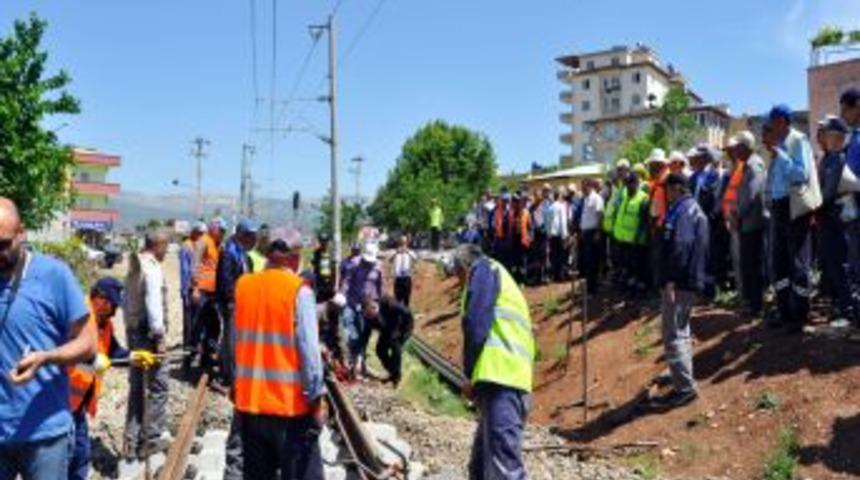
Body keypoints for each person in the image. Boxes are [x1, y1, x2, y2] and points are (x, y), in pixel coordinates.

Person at [0, 198, 97, 479]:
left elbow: (88, 342)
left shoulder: (54, 275)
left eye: (4, 244)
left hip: (45, 433)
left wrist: (46, 358)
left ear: (22, 233)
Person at [232, 226, 326, 479]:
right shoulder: (299, 290)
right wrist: (316, 401)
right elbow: (310, 357)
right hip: (290, 408)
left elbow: (232, 346)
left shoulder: (243, 286)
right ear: (294, 257)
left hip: (251, 407)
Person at [448, 244, 534, 480]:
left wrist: (468, 377)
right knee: (480, 467)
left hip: (502, 379)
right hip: (506, 379)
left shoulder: (484, 270)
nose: (459, 282)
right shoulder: (499, 277)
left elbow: (476, 326)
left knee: (504, 468)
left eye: (457, 275)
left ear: (465, 266)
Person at [654, 173, 708, 408]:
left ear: (677, 188)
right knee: (681, 331)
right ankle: (681, 378)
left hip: (680, 281)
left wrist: (671, 280)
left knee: (673, 333)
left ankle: (684, 388)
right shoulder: (689, 208)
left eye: (667, 188)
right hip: (687, 280)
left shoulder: (684, 211)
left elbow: (681, 246)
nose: (665, 193)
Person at [68, 277, 129, 480]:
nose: (114, 312)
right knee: (69, 454)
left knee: (80, 453)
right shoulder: (79, 317)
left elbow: (113, 351)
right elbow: (64, 357)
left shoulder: (105, 324)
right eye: (113, 305)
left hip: (79, 403)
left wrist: (133, 357)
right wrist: (91, 363)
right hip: (62, 402)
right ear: (100, 299)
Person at [764, 104, 814, 333]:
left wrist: (782, 156)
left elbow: (801, 174)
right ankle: (784, 311)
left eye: (772, 122)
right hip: (778, 208)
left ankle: (800, 314)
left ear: (782, 121)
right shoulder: (778, 146)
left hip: (794, 208)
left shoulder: (796, 141)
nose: (769, 127)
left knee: (797, 263)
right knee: (779, 261)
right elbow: (773, 182)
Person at [123, 230, 171, 461]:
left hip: (134, 334)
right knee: (159, 385)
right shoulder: (151, 268)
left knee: (136, 388)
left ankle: (131, 443)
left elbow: (127, 303)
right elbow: (154, 304)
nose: (167, 250)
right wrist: (160, 337)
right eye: (166, 245)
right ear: (158, 244)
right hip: (149, 335)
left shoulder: (134, 266)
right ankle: (151, 438)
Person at [817, 116, 860, 328]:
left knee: (841, 265)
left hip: (836, 220)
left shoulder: (836, 159)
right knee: (834, 266)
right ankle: (843, 308)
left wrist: (812, 205)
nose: (831, 139)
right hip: (828, 219)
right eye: (829, 135)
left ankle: (849, 311)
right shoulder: (828, 158)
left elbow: (828, 191)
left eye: (837, 136)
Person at [723, 132, 767, 316]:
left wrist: (736, 214)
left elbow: (751, 195)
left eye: (738, 147)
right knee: (748, 265)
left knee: (753, 265)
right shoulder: (747, 165)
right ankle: (751, 303)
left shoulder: (754, 165)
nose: (735, 151)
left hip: (752, 223)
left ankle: (755, 306)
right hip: (746, 222)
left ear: (746, 147)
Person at [216, 219, 257, 387]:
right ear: (241, 235)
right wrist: (232, 301)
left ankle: (231, 372)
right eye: (250, 235)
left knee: (233, 338)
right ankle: (232, 376)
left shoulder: (242, 253)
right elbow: (227, 280)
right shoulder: (229, 252)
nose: (253, 239)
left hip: (240, 302)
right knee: (231, 339)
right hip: (232, 303)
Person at [340, 241, 383, 375]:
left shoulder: (378, 267)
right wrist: (341, 295)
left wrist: (379, 303)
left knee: (364, 333)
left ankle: (361, 362)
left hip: (368, 307)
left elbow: (380, 285)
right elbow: (347, 281)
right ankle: (354, 356)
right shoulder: (354, 263)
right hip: (352, 301)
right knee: (349, 326)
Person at [191, 218, 226, 371]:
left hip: (212, 292)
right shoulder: (203, 241)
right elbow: (195, 263)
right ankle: (194, 356)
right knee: (200, 325)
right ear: (213, 229)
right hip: (202, 290)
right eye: (222, 231)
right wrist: (195, 288)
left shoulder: (216, 244)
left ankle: (207, 355)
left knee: (213, 325)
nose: (223, 234)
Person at [358, 295, 414, 386]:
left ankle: (397, 378)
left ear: (373, 307)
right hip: (386, 331)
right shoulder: (368, 317)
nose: (368, 317)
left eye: (369, 314)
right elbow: (365, 336)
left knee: (396, 349)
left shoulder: (389, 304)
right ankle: (393, 373)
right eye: (366, 316)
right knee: (380, 350)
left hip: (400, 328)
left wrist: (405, 332)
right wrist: (361, 354)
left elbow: (407, 313)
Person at [612, 173, 651, 293]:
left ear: (636, 184)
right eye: (625, 184)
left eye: (629, 184)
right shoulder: (625, 197)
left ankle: (640, 290)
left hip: (636, 242)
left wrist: (637, 238)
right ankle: (629, 287)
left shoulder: (643, 199)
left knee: (638, 268)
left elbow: (644, 223)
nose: (627, 187)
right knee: (627, 267)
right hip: (623, 240)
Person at [180, 222, 205, 360]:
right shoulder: (187, 246)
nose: (202, 236)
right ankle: (188, 356)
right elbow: (185, 272)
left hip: (199, 290)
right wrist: (185, 294)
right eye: (200, 233)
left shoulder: (199, 246)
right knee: (189, 325)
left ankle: (196, 351)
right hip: (190, 291)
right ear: (194, 232)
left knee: (198, 323)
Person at [578, 178, 604, 293]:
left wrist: (598, 232)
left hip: (593, 232)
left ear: (589, 186)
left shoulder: (596, 198)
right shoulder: (585, 199)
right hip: (586, 233)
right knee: (587, 260)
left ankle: (593, 287)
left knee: (593, 260)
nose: (582, 189)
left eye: (583, 187)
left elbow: (600, 215)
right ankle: (590, 284)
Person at [548, 187, 570, 282]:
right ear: (559, 196)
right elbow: (563, 221)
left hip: (552, 235)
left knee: (554, 255)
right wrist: (565, 235)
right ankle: (561, 276)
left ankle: (555, 275)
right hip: (560, 234)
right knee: (561, 256)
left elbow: (548, 223)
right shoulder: (561, 206)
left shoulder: (550, 207)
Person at [391, 236, 417, 306]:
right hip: (398, 278)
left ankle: (405, 315)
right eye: (401, 242)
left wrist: (408, 252)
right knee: (397, 300)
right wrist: (396, 252)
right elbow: (389, 260)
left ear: (407, 243)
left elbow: (415, 259)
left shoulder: (410, 252)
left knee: (406, 299)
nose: (403, 244)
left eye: (404, 242)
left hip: (407, 278)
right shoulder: (395, 252)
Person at [311, 232, 335, 302]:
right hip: (320, 282)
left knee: (330, 303)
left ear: (327, 241)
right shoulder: (316, 252)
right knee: (320, 302)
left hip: (330, 282)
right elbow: (313, 266)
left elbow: (335, 268)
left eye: (325, 241)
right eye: (322, 241)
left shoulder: (331, 252)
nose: (323, 243)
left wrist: (335, 284)